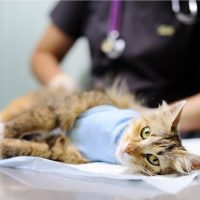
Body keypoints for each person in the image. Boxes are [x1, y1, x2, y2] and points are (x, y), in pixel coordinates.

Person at [31, 1, 200, 134]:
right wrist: (63, 85)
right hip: (100, 121)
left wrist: (152, 119)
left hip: (176, 130)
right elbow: (43, 54)